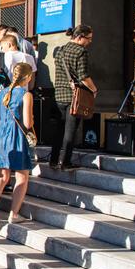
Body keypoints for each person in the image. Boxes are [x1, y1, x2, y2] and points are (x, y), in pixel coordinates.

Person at [0, 62, 35, 227]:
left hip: (1, 137)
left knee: (2, 176)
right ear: (27, 77)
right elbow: (27, 123)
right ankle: (14, 213)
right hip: (17, 137)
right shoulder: (26, 95)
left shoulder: (1, 93)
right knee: (21, 176)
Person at [50, 25, 98, 170]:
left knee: (60, 130)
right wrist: (94, 89)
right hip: (74, 97)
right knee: (70, 131)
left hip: (59, 94)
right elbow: (83, 76)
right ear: (79, 37)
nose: (89, 42)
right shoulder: (81, 51)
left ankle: (53, 160)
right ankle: (65, 162)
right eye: (88, 39)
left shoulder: (60, 50)